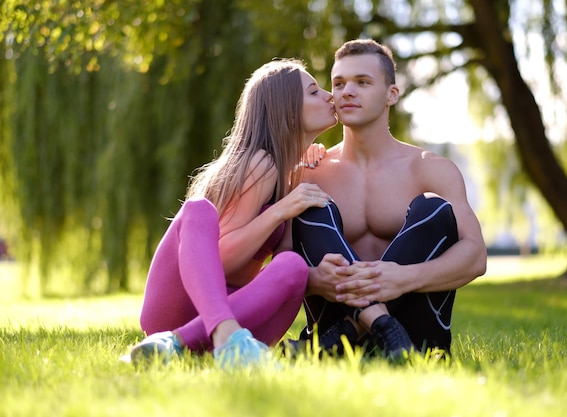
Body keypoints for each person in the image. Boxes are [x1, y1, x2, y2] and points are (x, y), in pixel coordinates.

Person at [279, 39, 487, 362]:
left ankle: (363, 333)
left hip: (415, 339)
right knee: (311, 203)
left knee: (431, 207)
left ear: (392, 94)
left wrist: (404, 278)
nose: (347, 91)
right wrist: (316, 279)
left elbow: (475, 256)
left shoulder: (429, 169)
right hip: (334, 336)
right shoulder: (309, 174)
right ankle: (359, 330)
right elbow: (280, 267)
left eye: (362, 82)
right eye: (339, 83)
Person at [128, 58, 336, 367]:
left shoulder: (292, 175)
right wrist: (280, 210)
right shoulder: (260, 165)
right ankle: (197, 336)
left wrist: (317, 277)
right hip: (182, 308)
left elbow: (284, 259)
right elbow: (221, 261)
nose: (330, 96)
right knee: (197, 210)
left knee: (294, 266)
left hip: (237, 313)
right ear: (288, 110)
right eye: (314, 91)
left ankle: (186, 344)